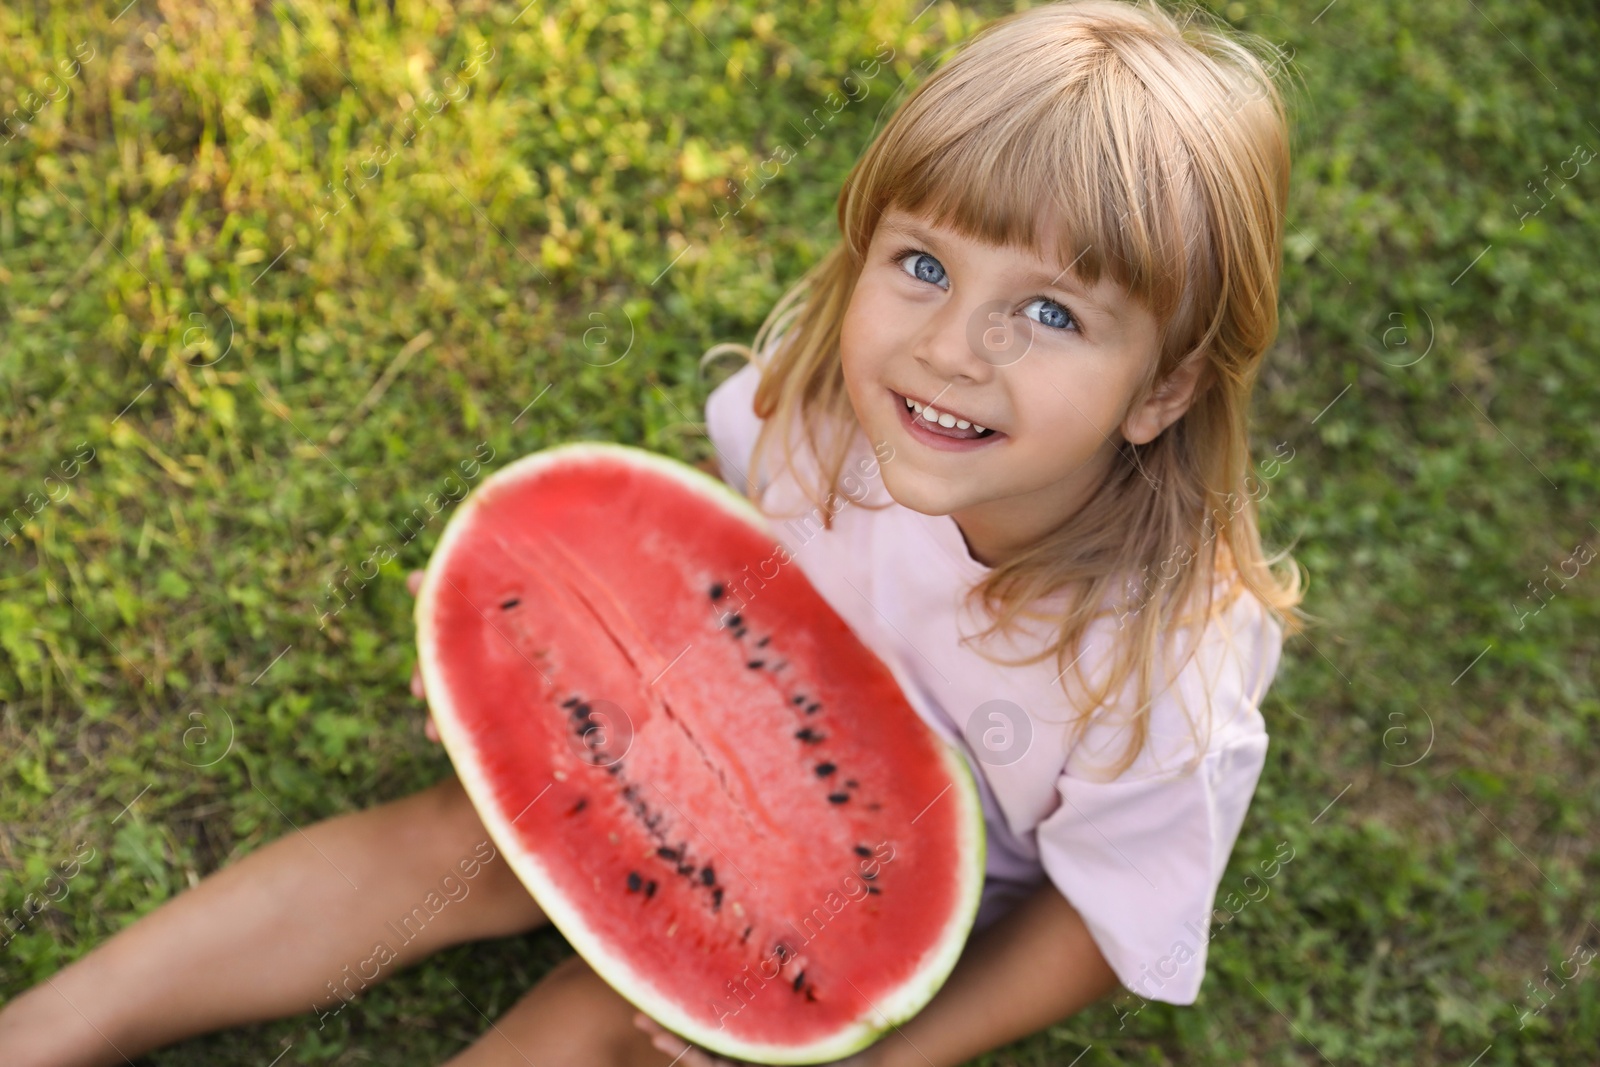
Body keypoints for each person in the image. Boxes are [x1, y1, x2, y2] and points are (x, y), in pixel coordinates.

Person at [0, 1, 1306, 1063]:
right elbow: (721, 560)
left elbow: (1095, 924)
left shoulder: (1159, 679)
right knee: (460, 836)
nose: (953, 348)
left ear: (1166, 390)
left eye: (1055, 315)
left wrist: (888, 1052)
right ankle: (49, 1029)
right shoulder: (839, 395)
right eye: (923, 265)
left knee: (606, 1023)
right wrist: (529, 662)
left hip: (896, 882)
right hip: (727, 713)